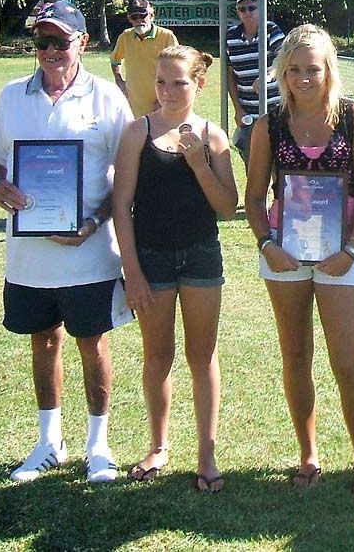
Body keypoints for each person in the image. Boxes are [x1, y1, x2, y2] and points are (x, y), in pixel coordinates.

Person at [0, 0, 133, 484]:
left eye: (60, 41)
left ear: (83, 44)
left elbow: (126, 180)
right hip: (28, 256)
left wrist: (92, 223)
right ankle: (50, 442)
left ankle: (98, 446)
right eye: (41, 42)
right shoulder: (11, 97)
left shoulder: (108, 98)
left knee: (92, 343)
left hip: (89, 252)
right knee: (43, 342)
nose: (49, 51)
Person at [245, 24, 354, 495]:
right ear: (283, 71)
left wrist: (350, 251)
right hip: (285, 256)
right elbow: (253, 198)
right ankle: (308, 455)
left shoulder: (353, 118)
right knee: (296, 355)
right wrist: (268, 245)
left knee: (348, 361)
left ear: (329, 70)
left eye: (314, 69)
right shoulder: (269, 124)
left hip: (340, 256)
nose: (304, 78)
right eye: (295, 69)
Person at [111, 46, 238, 493]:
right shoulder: (136, 133)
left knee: (202, 357)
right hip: (152, 258)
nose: (168, 91)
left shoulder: (212, 135)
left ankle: (207, 453)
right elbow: (120, 206)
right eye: (161, 81)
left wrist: (198, 162)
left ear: (199, 84)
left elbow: (227, 206)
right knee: (157, 355)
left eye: (179, 82)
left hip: (201, 255)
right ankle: (159, 445)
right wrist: (133, 270)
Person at [226, 0, 285, 169]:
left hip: (276, 110)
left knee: (280, 167)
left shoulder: (271, 30)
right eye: (243, 9)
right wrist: (238, 109)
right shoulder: (230, 37)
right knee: (253, 169)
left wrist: (268, 75)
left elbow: (284, 57)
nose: (248, 12)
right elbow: (230, 74)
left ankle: (278, 198)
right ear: (238, 12)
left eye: (252, 7)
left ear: (260, 9)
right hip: (249, 115)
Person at [110, 0, 180, 117]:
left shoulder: (167, 36)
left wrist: (163, 99)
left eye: (143, 16)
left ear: (151, 16)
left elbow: (178, 68)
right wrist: (119, 81)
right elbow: (115, 60)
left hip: (161, 106)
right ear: (129, 19)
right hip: (133, 109)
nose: (139, 20)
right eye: (134, 17)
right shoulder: (125, 37)